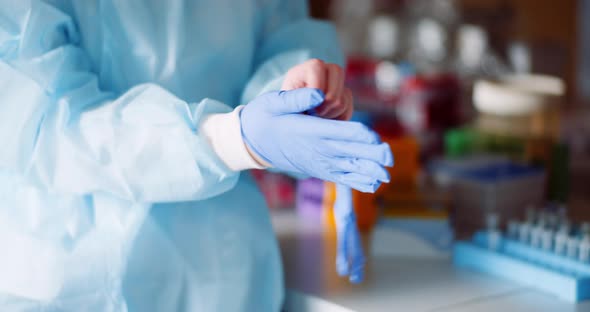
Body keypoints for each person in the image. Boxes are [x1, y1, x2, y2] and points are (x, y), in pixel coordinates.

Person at [0, 1, 392, 311]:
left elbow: (282, 34)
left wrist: (296, 92)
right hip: (73, 276)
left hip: (225, 270)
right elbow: (48, 127)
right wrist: (226, 139)